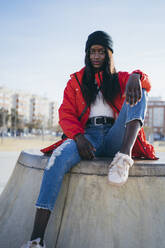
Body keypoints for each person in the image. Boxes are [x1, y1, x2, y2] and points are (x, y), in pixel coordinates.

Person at [21, 31, 157, 248]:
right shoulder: (75, 81)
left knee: (141, 89)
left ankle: (123, 157)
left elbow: (145, 82)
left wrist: (136, 76)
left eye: (101, 51)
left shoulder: (119, 78)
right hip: (87, 136)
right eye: (92, 51)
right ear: (87, 53)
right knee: (57, 159)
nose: (96, 56)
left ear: (108, 54)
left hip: (115, 135)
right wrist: (78, 137)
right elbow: (65, 113)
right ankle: (36, 240)